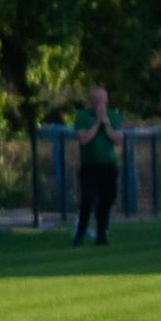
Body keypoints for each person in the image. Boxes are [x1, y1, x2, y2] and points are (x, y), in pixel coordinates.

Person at [72, 85, 123, 246]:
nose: (100, 102)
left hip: (108, 165)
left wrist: (105, 123)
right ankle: (80, 234)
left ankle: (102, 233)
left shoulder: (113, 116)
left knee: (108, 199)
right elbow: (83, 139)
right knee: (87, 200)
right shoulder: (83, 116)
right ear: (91, 101)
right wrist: (96, 124)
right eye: (96, 99)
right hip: (89, 166)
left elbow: (117, 139)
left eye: (102, 99)